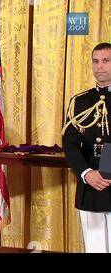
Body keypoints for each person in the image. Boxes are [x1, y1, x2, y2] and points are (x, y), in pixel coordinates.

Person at [62, 42, 111, 253]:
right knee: (95, 249)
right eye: (96, 61)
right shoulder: (80, 102)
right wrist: (85, 172)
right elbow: (70, 144)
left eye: (106, 61)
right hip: (90, 183)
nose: (100, 66)